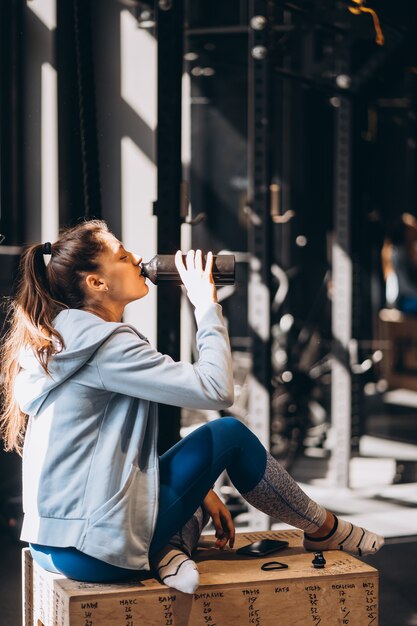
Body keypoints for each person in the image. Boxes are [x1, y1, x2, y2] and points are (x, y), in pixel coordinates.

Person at [0, 220, 384, 595]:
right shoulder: (106, 345)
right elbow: (216, 390)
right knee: (229, 435)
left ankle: (169, 550)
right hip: (93, 551)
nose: (136, 259)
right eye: (121, 256)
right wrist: (206, 305)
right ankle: (325, 530)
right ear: (96, 283)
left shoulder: (60, 340)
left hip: (51, 546)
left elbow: (103, 456)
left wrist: (198, 489)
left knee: (203, 486)